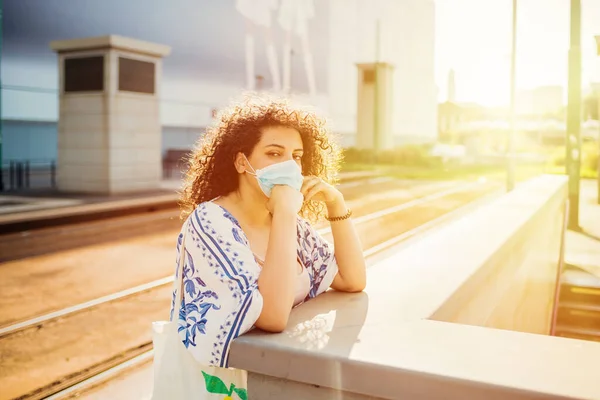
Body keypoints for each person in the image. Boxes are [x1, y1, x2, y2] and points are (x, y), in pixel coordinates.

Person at [171, 95, 367, 372]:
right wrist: (285, 214)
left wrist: (337, 204)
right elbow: (273, 317)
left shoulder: (290, 223)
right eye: (274, 153)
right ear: (241, 162)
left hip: (282, 372)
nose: (290, 165)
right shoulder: (210, 222)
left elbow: (352, 280)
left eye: (296, 156)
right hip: (229, 383)